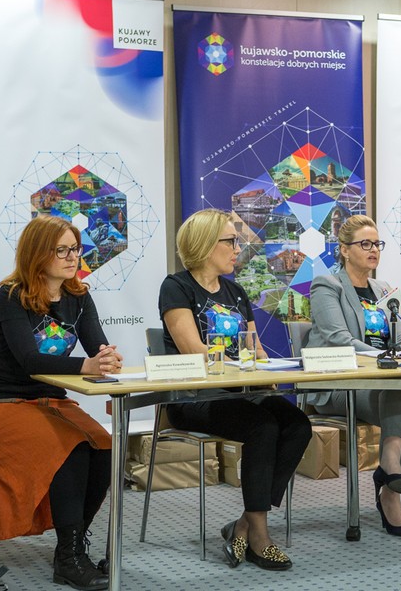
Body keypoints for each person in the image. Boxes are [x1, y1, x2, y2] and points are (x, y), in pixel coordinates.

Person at [0, 216, 121, 591]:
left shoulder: (79, 296)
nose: (73, 257)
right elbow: (30, 361)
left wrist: (107, 358)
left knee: (104, 448)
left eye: (76, 249)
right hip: (5, 404)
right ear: (39, 254)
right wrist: (87, 365)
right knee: (70, 448)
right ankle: (70, 560)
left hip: (50, 401)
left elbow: (96, 346)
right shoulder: (11, 294)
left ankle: (68, 549)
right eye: (63, 250)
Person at [159, 209, 311, 570]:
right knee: (263, 426)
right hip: (194, 397)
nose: (237, 248)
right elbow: (193, 351)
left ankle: (243, 522)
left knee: (297, 424)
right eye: (230, 241)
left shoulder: (236, 290)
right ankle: (259, 534)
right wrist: (243, 363)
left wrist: (262, 368)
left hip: (240, 392)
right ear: (205, 244)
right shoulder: (176, 287)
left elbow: (255, 351)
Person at [306, 215, 401, 537]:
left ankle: (389, 477)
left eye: (377, 244)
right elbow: (339, 338)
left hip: (381, 385)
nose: (373, 250)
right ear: (344, 250)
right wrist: (385, 359)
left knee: (400, 391)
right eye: (365, 244)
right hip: (338, 386)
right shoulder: (328, 285)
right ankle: (390, 479)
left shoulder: (383, 289)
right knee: (399, 395)